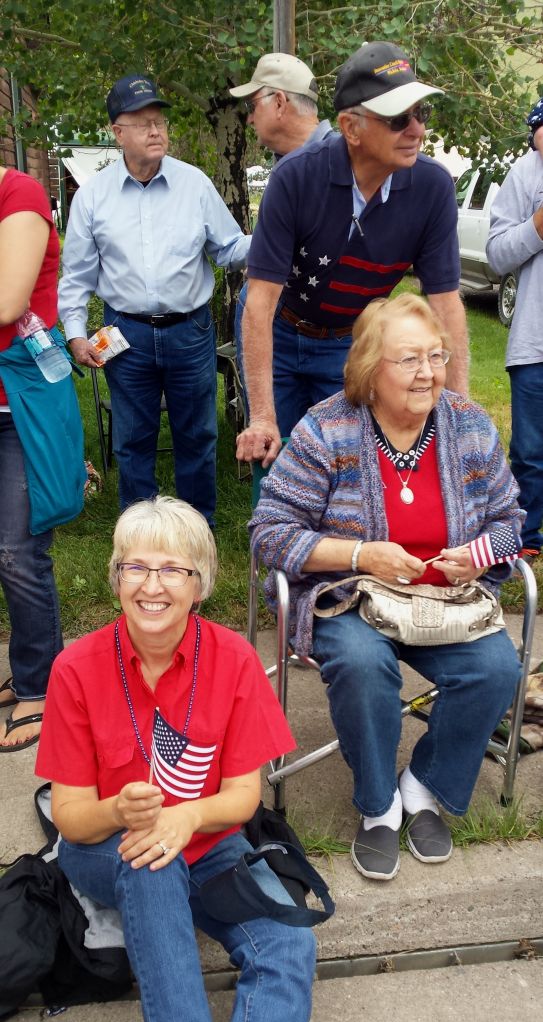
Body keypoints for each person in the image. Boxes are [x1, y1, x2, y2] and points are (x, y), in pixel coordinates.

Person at [250, 293, 521, 882]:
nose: (428, 372)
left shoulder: (467, 425)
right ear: (370, 369)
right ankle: (379, 805)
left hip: (444, 603)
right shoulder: (327, 428)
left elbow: (509, 522)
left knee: (498, 669)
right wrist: (359, 555)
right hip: (351, 597)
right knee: (361, 663)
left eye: (436, 356)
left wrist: (477, 559)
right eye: (409, 360)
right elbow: (268, 533)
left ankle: (422, 786)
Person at [35, 496, 316, 1022]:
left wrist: (186, 816)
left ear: (199, 583)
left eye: (171, 570)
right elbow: (71, 818)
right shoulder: (75, 668)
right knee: (151, 863)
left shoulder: (234, 659)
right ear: (117, 578)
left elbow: (242, 796)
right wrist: (120, 811)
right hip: (104, 847)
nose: (152, 585)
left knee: (287, 943)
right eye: (136, 567)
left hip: (209, 845)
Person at [236, 40, 469, 468]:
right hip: (281, 331)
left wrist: (460, 410)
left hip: (348, 338)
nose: (417, 130)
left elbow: (445, 302)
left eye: (421, 114)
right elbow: (259, 304)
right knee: (277, 463)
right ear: (351, 127)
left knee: (346, 467)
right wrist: (263, 419)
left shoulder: (433, 187)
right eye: (399, 118)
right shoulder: (295, 178)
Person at [58, 74, 251, 525]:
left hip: (190, 329)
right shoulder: (92, 198)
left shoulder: (194, 184)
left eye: (159, 121)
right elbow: (78, 277)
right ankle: (140, 537)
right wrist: (74, 334)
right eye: (142, 122)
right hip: (125, 332)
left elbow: (228, 248)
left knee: (198, 435)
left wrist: (276, 237)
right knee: (133, 438)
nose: (155, 130)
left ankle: (195, 531)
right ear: (117, 133)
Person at [0, 165, 82, 751]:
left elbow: (9, 302)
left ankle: (40, 682)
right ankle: (28, 664)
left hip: (16, 403)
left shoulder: (18, 192)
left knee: (19, 550)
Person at [229, 52, 334, 414]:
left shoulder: (343, 164)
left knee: (338, 456)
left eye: (253, 103)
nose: (249, 116)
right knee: (271, 444)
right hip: (274, 323)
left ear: (279, 102)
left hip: (335, 338)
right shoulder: (284, 168)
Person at [486, 95, 543, 564]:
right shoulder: (526, 173)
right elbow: (498, 255)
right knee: (531, 453)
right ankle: (528, 540)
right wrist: (538, 226)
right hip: (536, 343)